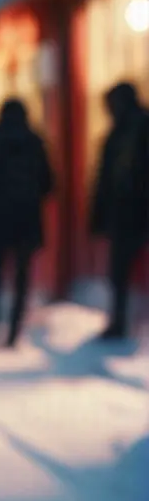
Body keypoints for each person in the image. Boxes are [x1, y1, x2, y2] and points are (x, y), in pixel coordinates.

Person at [0, 98, 54, 346]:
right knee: (22, 275)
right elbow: (48, 182)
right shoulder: (34, 142)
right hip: (26, 218)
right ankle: (15, 327)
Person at [89, 81, 149, 339]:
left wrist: (98, 215)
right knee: (121, 271)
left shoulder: (126, 132)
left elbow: (106, 179)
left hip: (128, 212)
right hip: (129, 212)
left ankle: (120, 322)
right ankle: (121, 322)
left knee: (120, 271)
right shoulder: (123, 131)